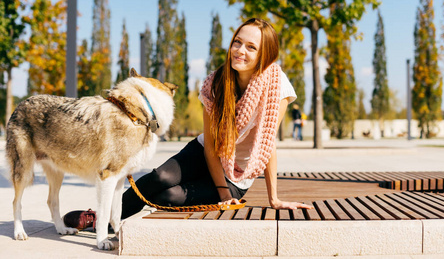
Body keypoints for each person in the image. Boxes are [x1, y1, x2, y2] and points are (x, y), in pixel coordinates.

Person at [120, 18, 313, 219]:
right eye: (237, 42)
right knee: (160, 177)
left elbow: (267, 143)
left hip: (235, 176)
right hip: (205, 153)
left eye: (251, 47)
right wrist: (221, 193)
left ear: (265, 56)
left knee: (168, 196)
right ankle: (104, 219)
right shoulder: (215, 83)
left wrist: (273, 199)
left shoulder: (277, 86)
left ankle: (115, 216)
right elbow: (211, 147)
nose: (239, 50)